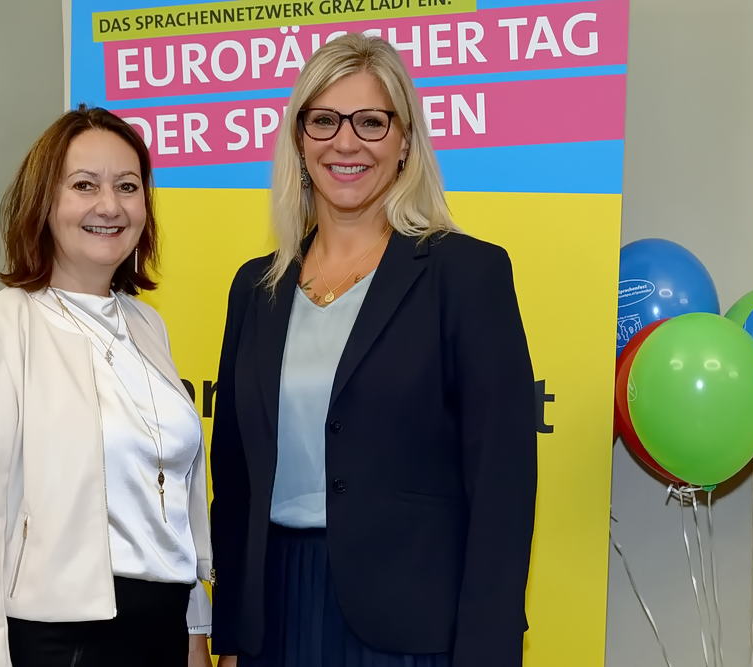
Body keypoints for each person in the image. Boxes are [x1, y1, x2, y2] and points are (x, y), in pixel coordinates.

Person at [209, 34, 537, 667]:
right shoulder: (255, 288)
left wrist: (488, 649)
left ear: (404, 140)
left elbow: (503, 484)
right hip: (275, 614)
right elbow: (236, 480)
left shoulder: (465, 274)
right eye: (324, 121)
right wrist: (233, 636)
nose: (346, 142)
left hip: (412, 628)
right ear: (300, 139)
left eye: (370, 122)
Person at [0, 105, 213, 667]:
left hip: (163, 625)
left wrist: (194, 630)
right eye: (84, 185)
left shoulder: (147, 324)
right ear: (44, 202)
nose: (109, 205)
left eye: (127, 186)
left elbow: (168, 503)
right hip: (61, 639)